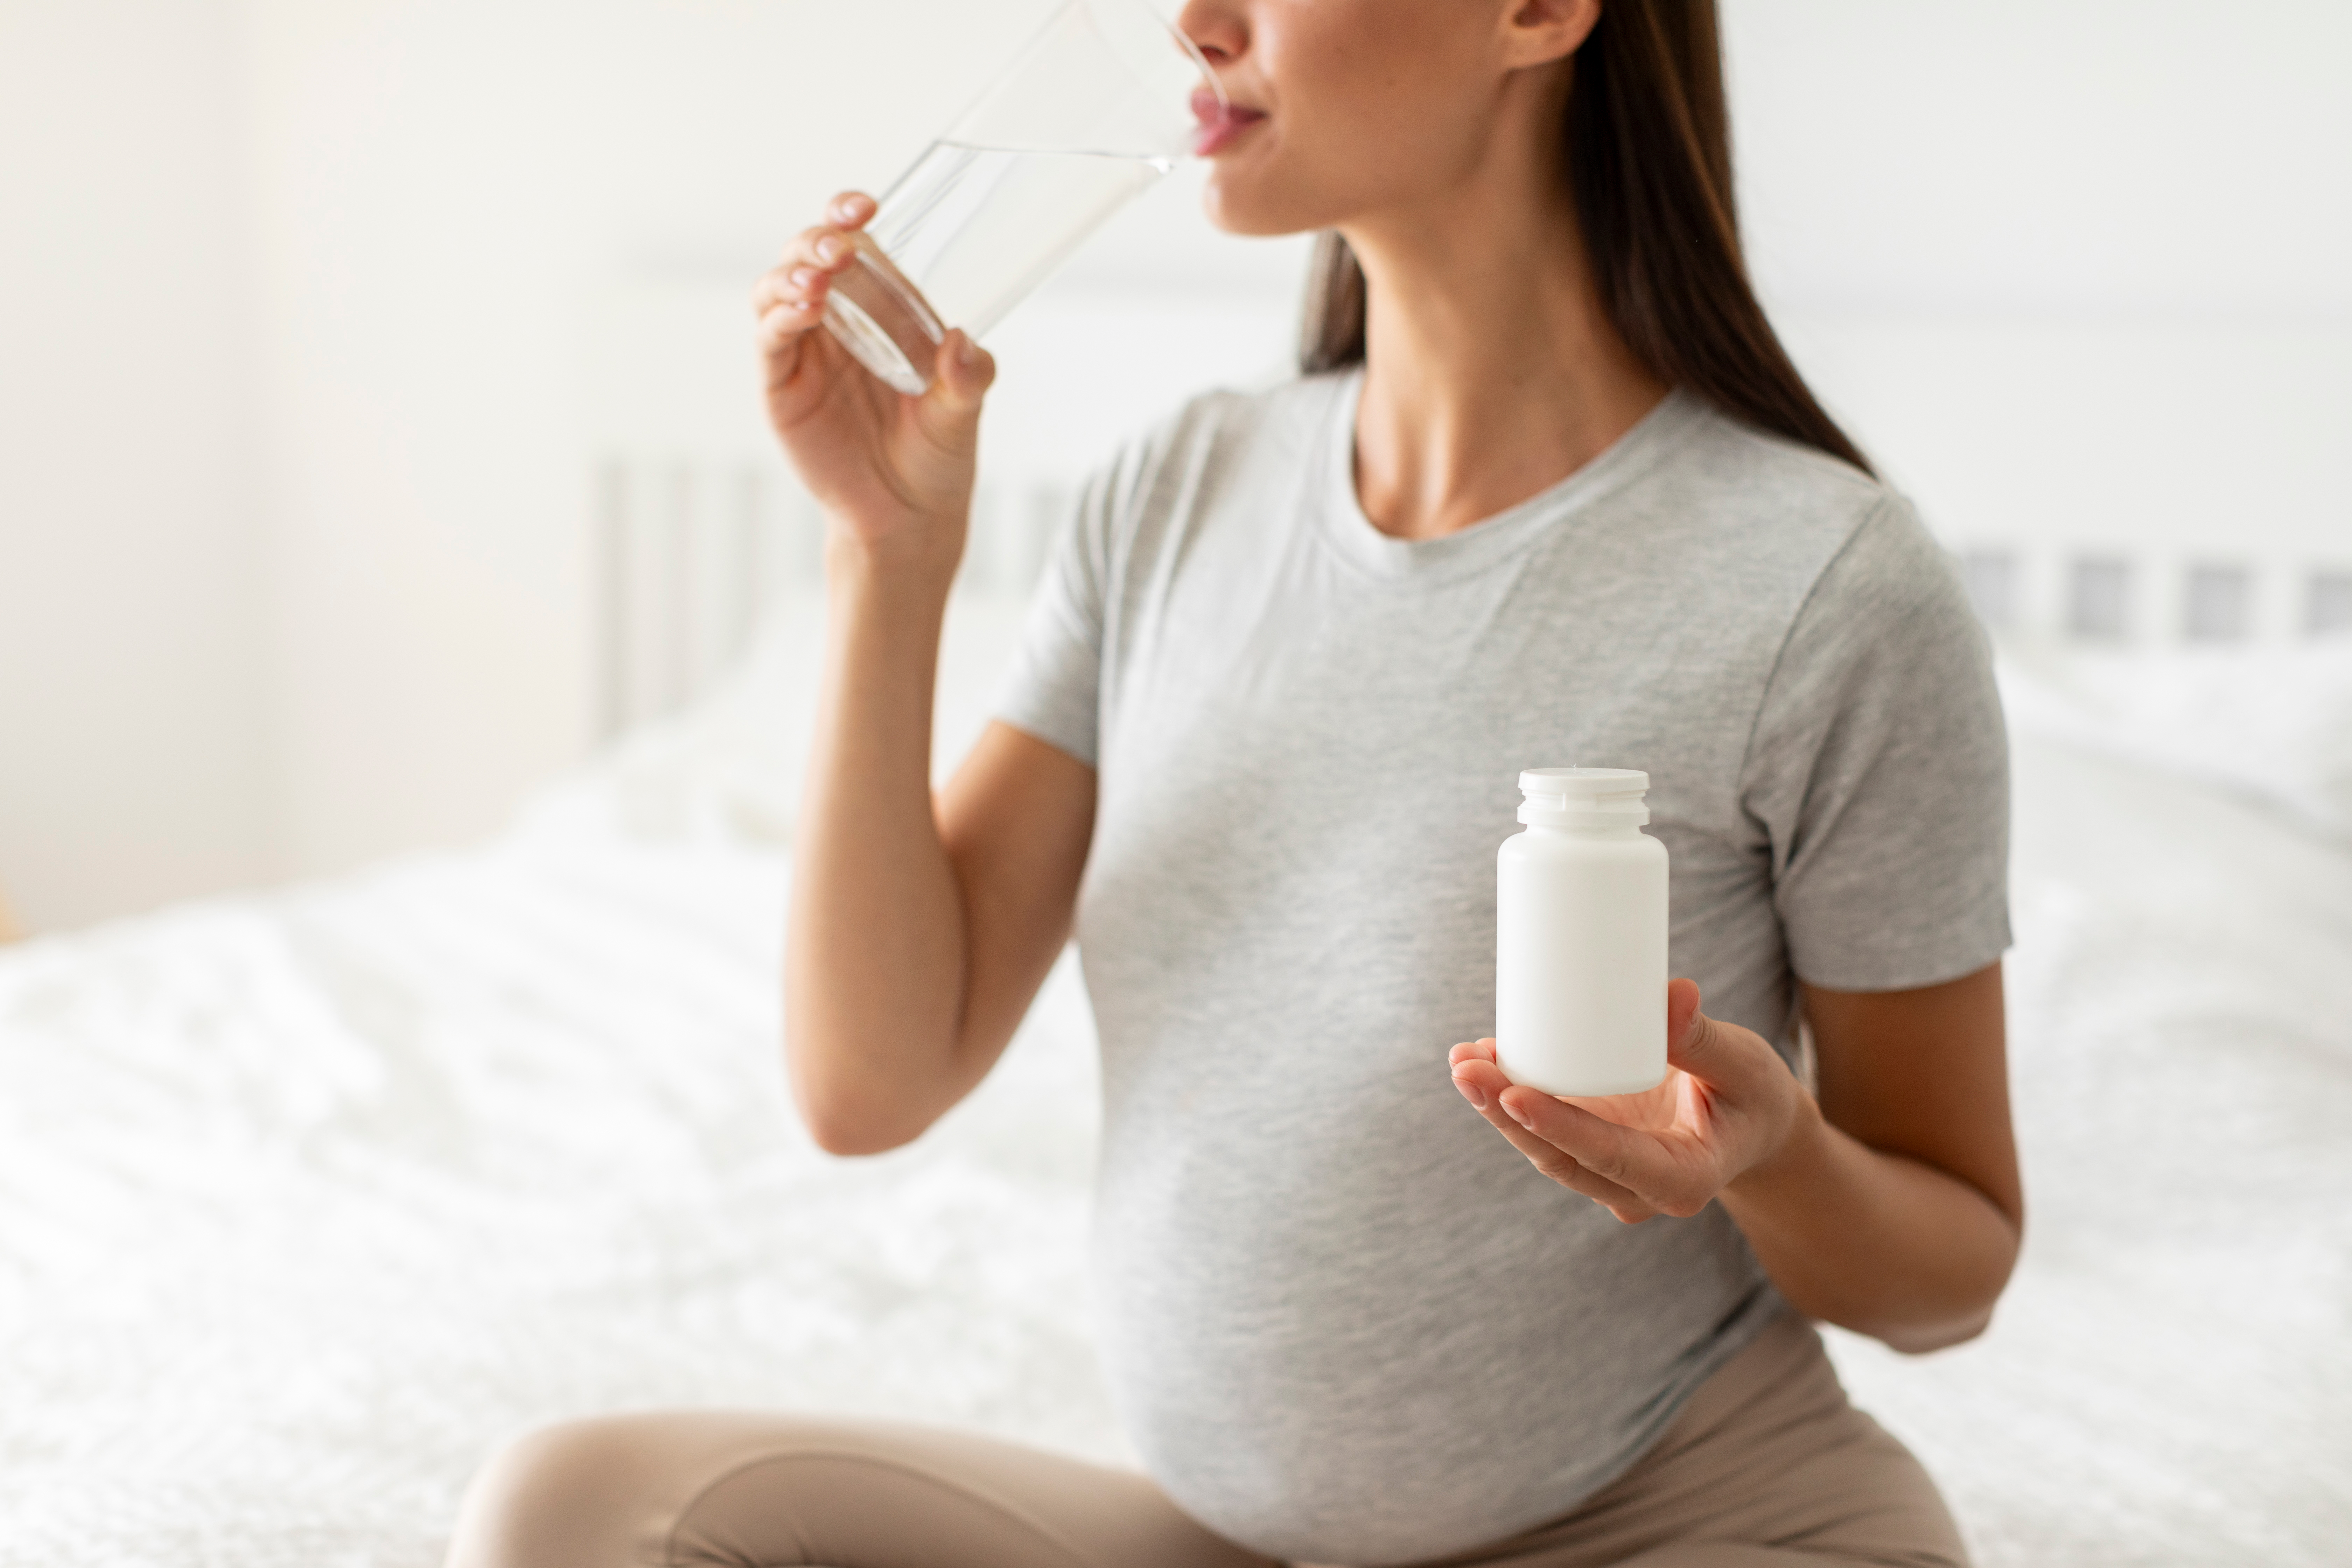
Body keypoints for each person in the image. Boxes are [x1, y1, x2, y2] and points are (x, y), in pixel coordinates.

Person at [445, 0, 2022, 1562]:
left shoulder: (1829, 586)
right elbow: (871, 1078)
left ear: (1539, 13)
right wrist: (888, 548)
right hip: (1230, 1540)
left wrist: (1775, 1152)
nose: (1197, 20)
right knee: (572, 1516)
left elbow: (1954, 1274)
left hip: (1685, 1523)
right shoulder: (1172, 498)